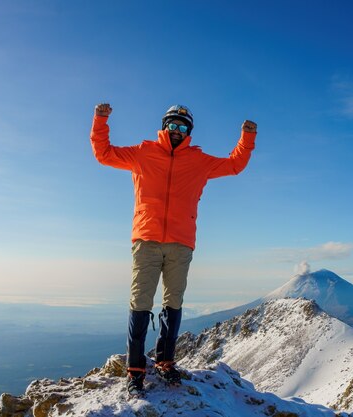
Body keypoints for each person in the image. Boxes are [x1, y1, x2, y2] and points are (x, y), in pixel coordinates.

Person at [90, 103, 257, 396]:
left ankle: (166, 361)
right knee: (141, 302)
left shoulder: (198, 160)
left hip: (181, 243)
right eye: (173, 125)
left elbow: (234, 164)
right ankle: (136, 368)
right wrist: (100, 120)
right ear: (164, 126)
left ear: (189, 131)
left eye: (183, 127)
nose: (177, 131)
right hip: (147, 239)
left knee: (173, 303)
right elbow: (104, 153)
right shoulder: (142, 152)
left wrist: (247, 137)